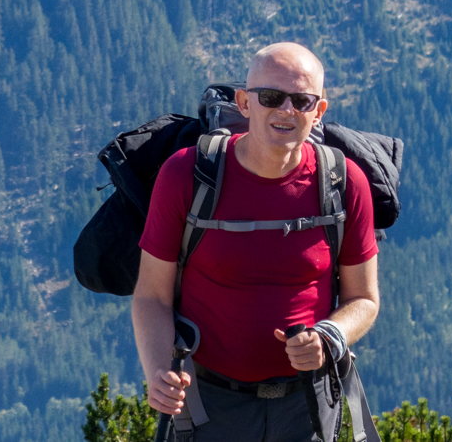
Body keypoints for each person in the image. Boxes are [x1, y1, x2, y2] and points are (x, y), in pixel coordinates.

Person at [132, 42, 380, 441]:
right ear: (245, 103)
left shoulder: (344, 184)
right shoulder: (186, 176)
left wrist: (328, 336)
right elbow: (151, 295)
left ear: (318, 112)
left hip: (309, 403)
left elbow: (364, 300)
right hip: (207, 402)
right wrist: (160, 371)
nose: (286, 110)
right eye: (271, 97)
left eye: (301, 100)